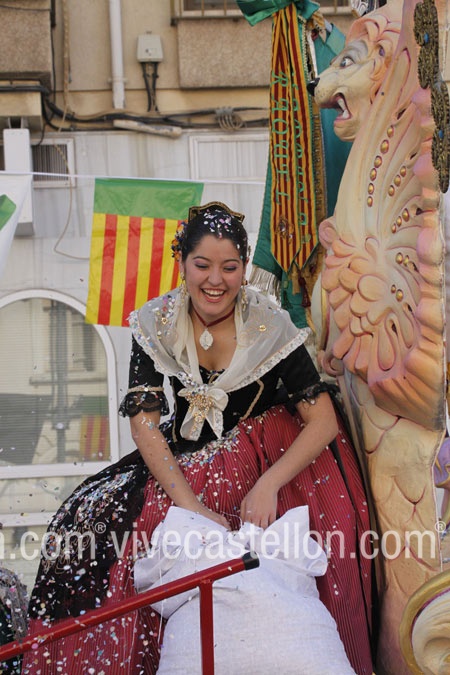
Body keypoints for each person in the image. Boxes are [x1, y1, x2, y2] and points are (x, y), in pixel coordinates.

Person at [22, 202, 373, 675]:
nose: (215, 280)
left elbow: (324, 422)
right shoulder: (155, 321)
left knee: (330, 538)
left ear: (244, 268)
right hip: (184, 461)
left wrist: (269, 484)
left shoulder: (270, 323)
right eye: (202, 265)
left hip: (269, 454)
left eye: (230, 267)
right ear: (182, 262)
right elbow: (144, 424)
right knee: (85, 522)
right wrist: (190, 507)